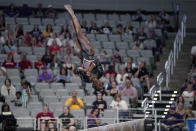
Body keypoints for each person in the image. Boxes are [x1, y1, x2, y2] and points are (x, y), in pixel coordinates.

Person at [65, 5, 104, 84]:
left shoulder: (87, 80)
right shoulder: (100, 74)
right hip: (90, 53)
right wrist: (89, 70)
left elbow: (77, 70)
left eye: (96, 85)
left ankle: (70, 18)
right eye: (99, 84)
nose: (96, 83)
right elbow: (96, 62)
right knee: (79, 34)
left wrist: (83, 69)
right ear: (99, 82)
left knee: (74, 35)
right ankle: (72, 14)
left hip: (82, 56)